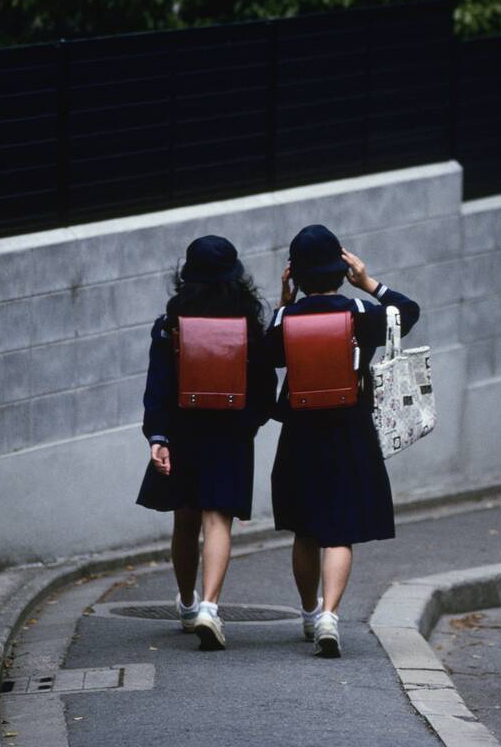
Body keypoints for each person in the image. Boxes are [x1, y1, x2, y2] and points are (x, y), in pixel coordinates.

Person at [265, 224, 420, 658]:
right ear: (340, 268)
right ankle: (332, 615)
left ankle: (310, 612)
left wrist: (284, 301)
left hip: (299, 433)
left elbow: (265, 354)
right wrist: (368, 281)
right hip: (350, 430)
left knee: (305, 529)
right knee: (339, 530)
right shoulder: (361, 313)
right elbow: (408, 311)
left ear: (294, 274)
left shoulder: (284, 320)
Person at [137, 235, 277, 650]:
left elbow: (157, 385)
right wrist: (248, 424)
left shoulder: (170, 326)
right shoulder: (249, 327)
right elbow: (265, 386)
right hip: (230, 430)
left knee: (185, 519)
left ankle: (184, 602)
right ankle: (210, 607)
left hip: (182, 428)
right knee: (219, 520)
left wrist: (158, 437)